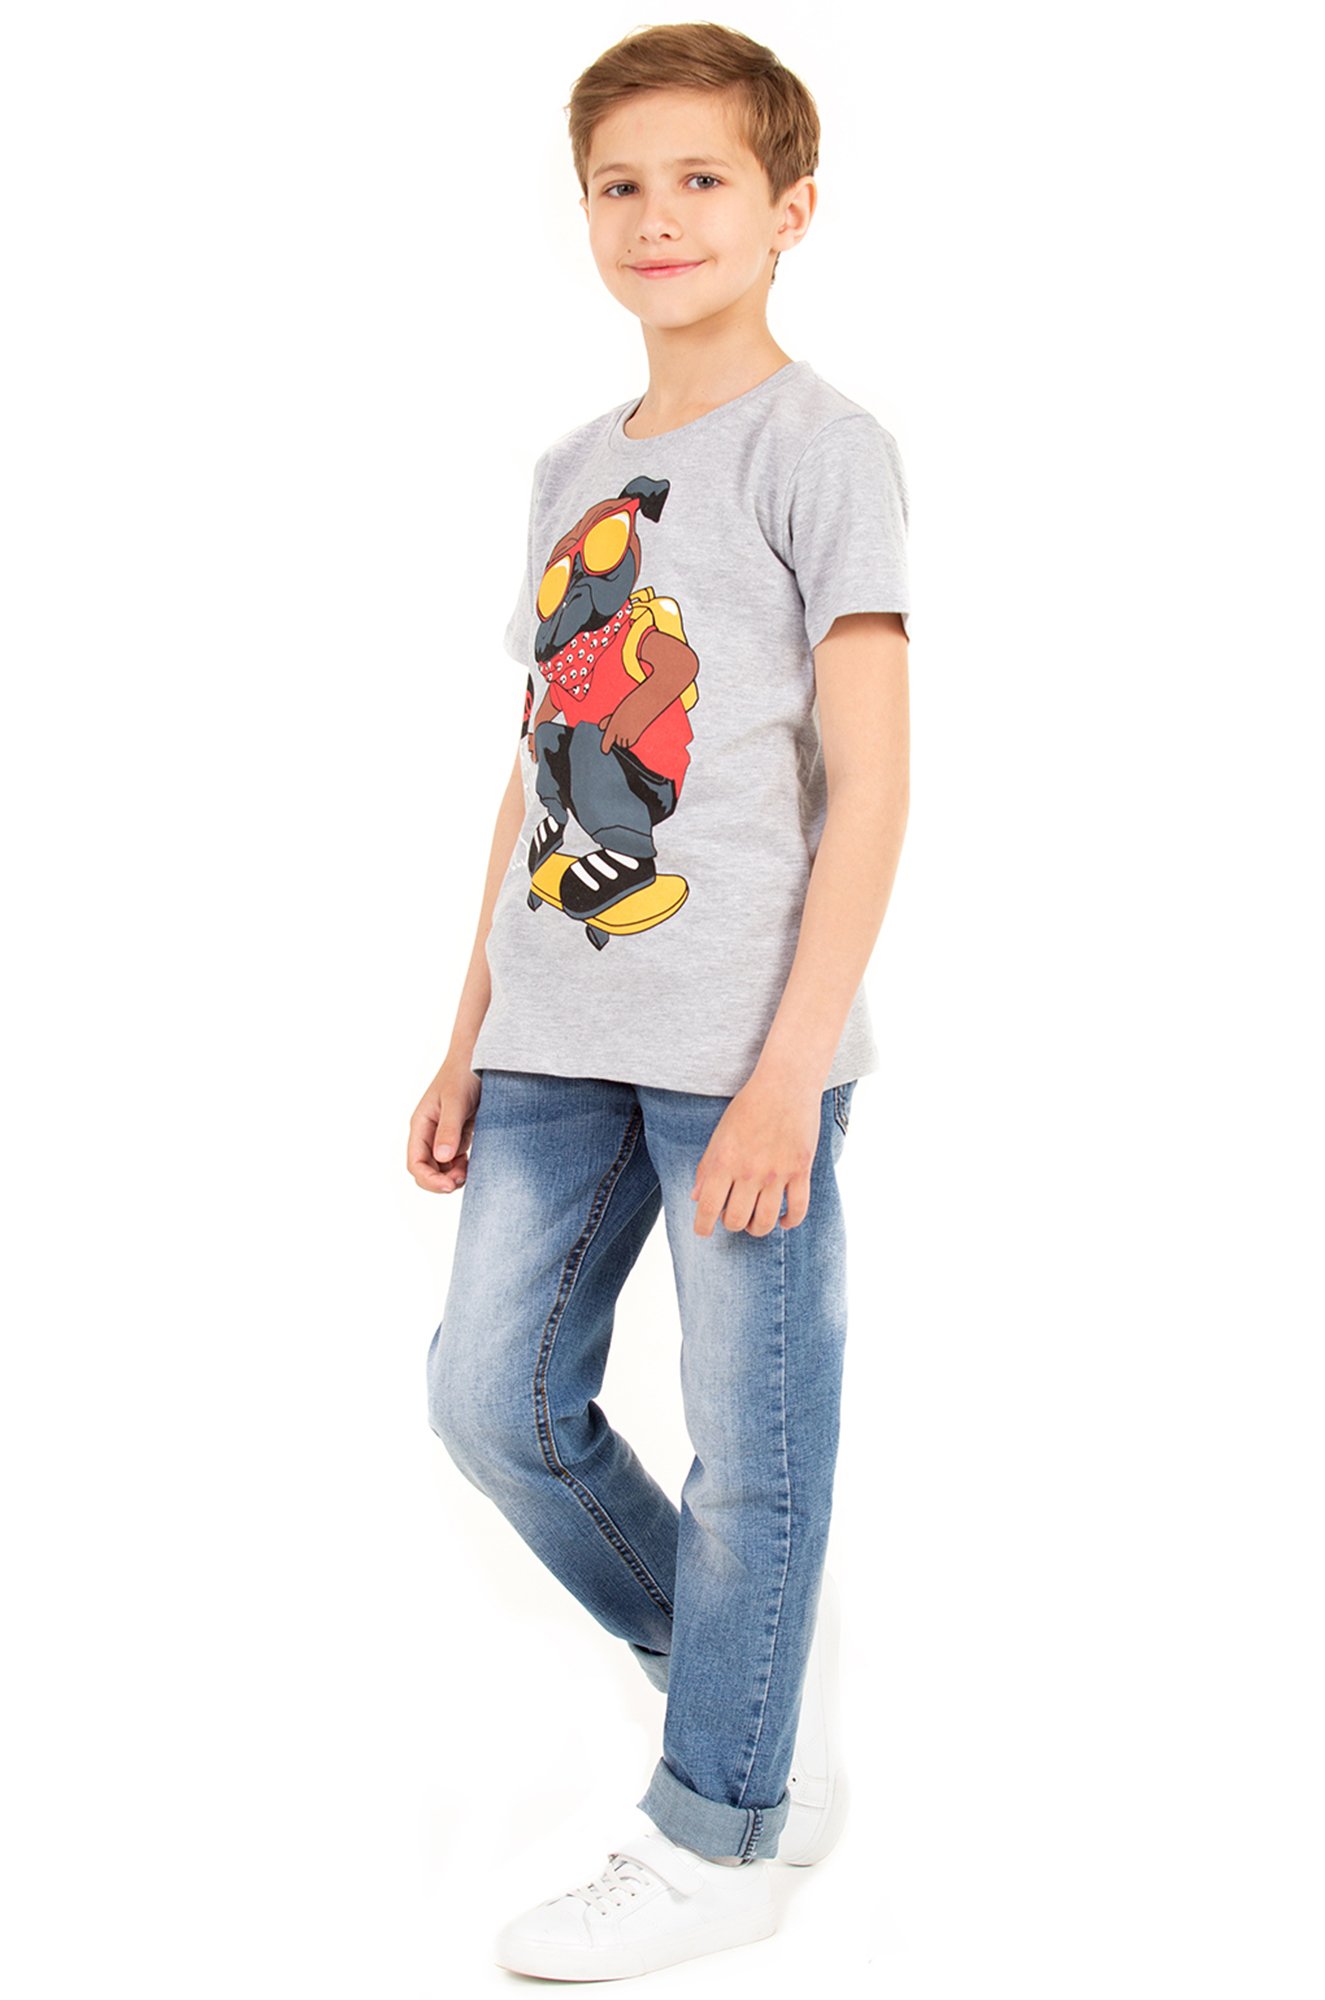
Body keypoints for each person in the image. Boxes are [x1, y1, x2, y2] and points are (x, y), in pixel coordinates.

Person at [407, 21, 911, 1981]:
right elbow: (536, 766)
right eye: (620, 182)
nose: (656, 214)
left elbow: (870, 780)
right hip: (551, 1034)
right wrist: (466, 1030)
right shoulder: (568, 467)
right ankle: (740, 1677)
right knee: (491, 1403)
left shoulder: (821, 450)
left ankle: (718, 1830)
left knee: (749, 1454)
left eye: (702, 178)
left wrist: (789, 1071)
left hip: (733, 1058)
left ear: (791, 210)